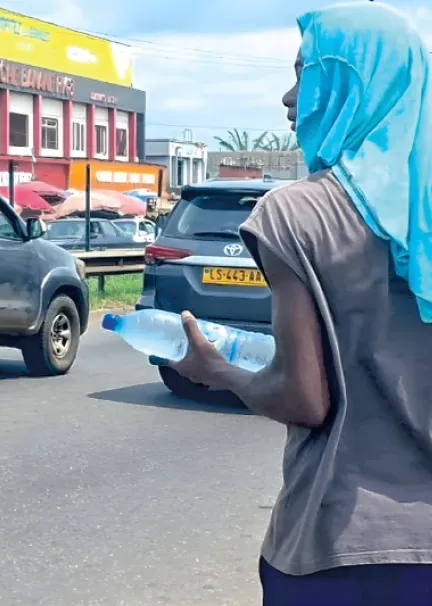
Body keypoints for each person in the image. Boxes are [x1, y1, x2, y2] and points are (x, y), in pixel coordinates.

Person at [165, 3, 432, 604]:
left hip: (343, 544)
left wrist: (219, 371)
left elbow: (303, 400)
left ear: (351, 86)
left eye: (305, 72)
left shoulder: (297, 214)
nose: (288, 97)